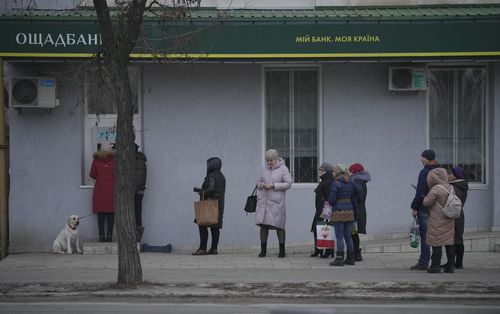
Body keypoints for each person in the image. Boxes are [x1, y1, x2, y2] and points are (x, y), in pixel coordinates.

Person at [255, 149, 292, 258]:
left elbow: (288, 183)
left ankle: (282, 250)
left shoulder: (283, 169)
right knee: (263, 226)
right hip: (263, 202)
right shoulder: (263, 169)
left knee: (279, 226)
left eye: (271, 160)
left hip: (277, 202)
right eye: (267, 161)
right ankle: (263, 250)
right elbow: (257, 182)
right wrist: (261, 185)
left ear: (276, 159)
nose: (269, 163)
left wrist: (274, 185)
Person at [410, 149, 441, 271]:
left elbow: (421, 191)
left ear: (427, 158)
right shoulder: (441, 170)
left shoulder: (425, 172)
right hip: (438, 206)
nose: (420, 159)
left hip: (425, 206)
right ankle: (436, 262)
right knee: (437, 235)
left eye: (422, 157)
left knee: (426, 235)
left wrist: (414, 206)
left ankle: (423, 262)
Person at [423, 167, 455, 273]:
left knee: (436, 242)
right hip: (449, 218)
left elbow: (426, 202)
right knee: (448, 243)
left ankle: (435, 266)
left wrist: (424, 197)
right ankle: (450, 266)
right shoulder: (450, 187)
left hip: (437, 219)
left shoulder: (436, 189)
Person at [192, 157, 226, 255]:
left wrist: (202, 192)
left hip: (209, 205)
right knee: (215, 227)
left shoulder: (211, 176)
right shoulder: (222, 176)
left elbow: (210, 190)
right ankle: (214, 249)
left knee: (202, 225)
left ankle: (203, 248)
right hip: (218, 205)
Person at [329, 164, 358, 266]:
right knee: (348, 236)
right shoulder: (350, 182)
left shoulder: (336, 183)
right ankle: (351, 258)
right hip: (349, 211)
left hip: (338, 212)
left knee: (339, 237)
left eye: (333, 171)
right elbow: (357, 193)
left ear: (337, 172)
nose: (332, 173)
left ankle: (339, 259)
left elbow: (332, 199)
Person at [89, 140, 115, 242]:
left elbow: (92, 175)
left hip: (99, 191)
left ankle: (101, 236)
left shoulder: (96, 161)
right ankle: (109, 236)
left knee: (101, 214)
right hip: (112, 191)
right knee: (111, 214)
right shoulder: (115, 160)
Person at [443, 166, 469, 269]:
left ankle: (453, 263)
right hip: (459, 213)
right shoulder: (462, 185)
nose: (448, 176)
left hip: (453, 214)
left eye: (449, 174)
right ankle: (458, 262)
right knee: (458, 238)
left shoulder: (455, 187)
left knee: (453, 239)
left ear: (455, 176)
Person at [349, 162, 371, 262]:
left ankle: (356, 254)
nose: (349, 173)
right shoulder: (360, 182)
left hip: (356, 212)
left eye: (350, 171)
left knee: (353, 233)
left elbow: (359, 198)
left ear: (354, 172)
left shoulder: (356, 182)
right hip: (358, 211)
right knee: (353, 233)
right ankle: (356, 253)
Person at [311, 162, 334, 258]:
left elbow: (328, 198)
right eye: (319, 170)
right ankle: (318, 249)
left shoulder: (328, 182)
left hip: (324, 210)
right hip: (320, 209)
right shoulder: (325, 180)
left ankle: (328, 251)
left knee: (325, 229)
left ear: (327, 171)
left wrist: (326, 213)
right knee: (317, 229)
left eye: (322, 170)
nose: (319, 172)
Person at [134, 143, 147, 242]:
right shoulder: (139, 160)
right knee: (136, 212)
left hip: (137, 191)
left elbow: (139, 178)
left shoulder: (138, 161)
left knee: (137, 213)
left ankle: (137, 236)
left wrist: (132, 191)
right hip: (137, 191)